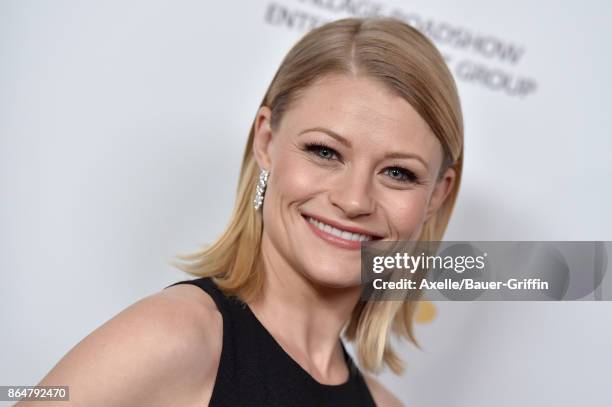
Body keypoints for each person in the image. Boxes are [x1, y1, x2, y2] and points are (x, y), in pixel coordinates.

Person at [19, 16, 463, 406]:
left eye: (398, 173)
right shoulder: (176, 337)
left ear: (437, 196)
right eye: (325, 151)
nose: (353, 200)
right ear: (266, 141)